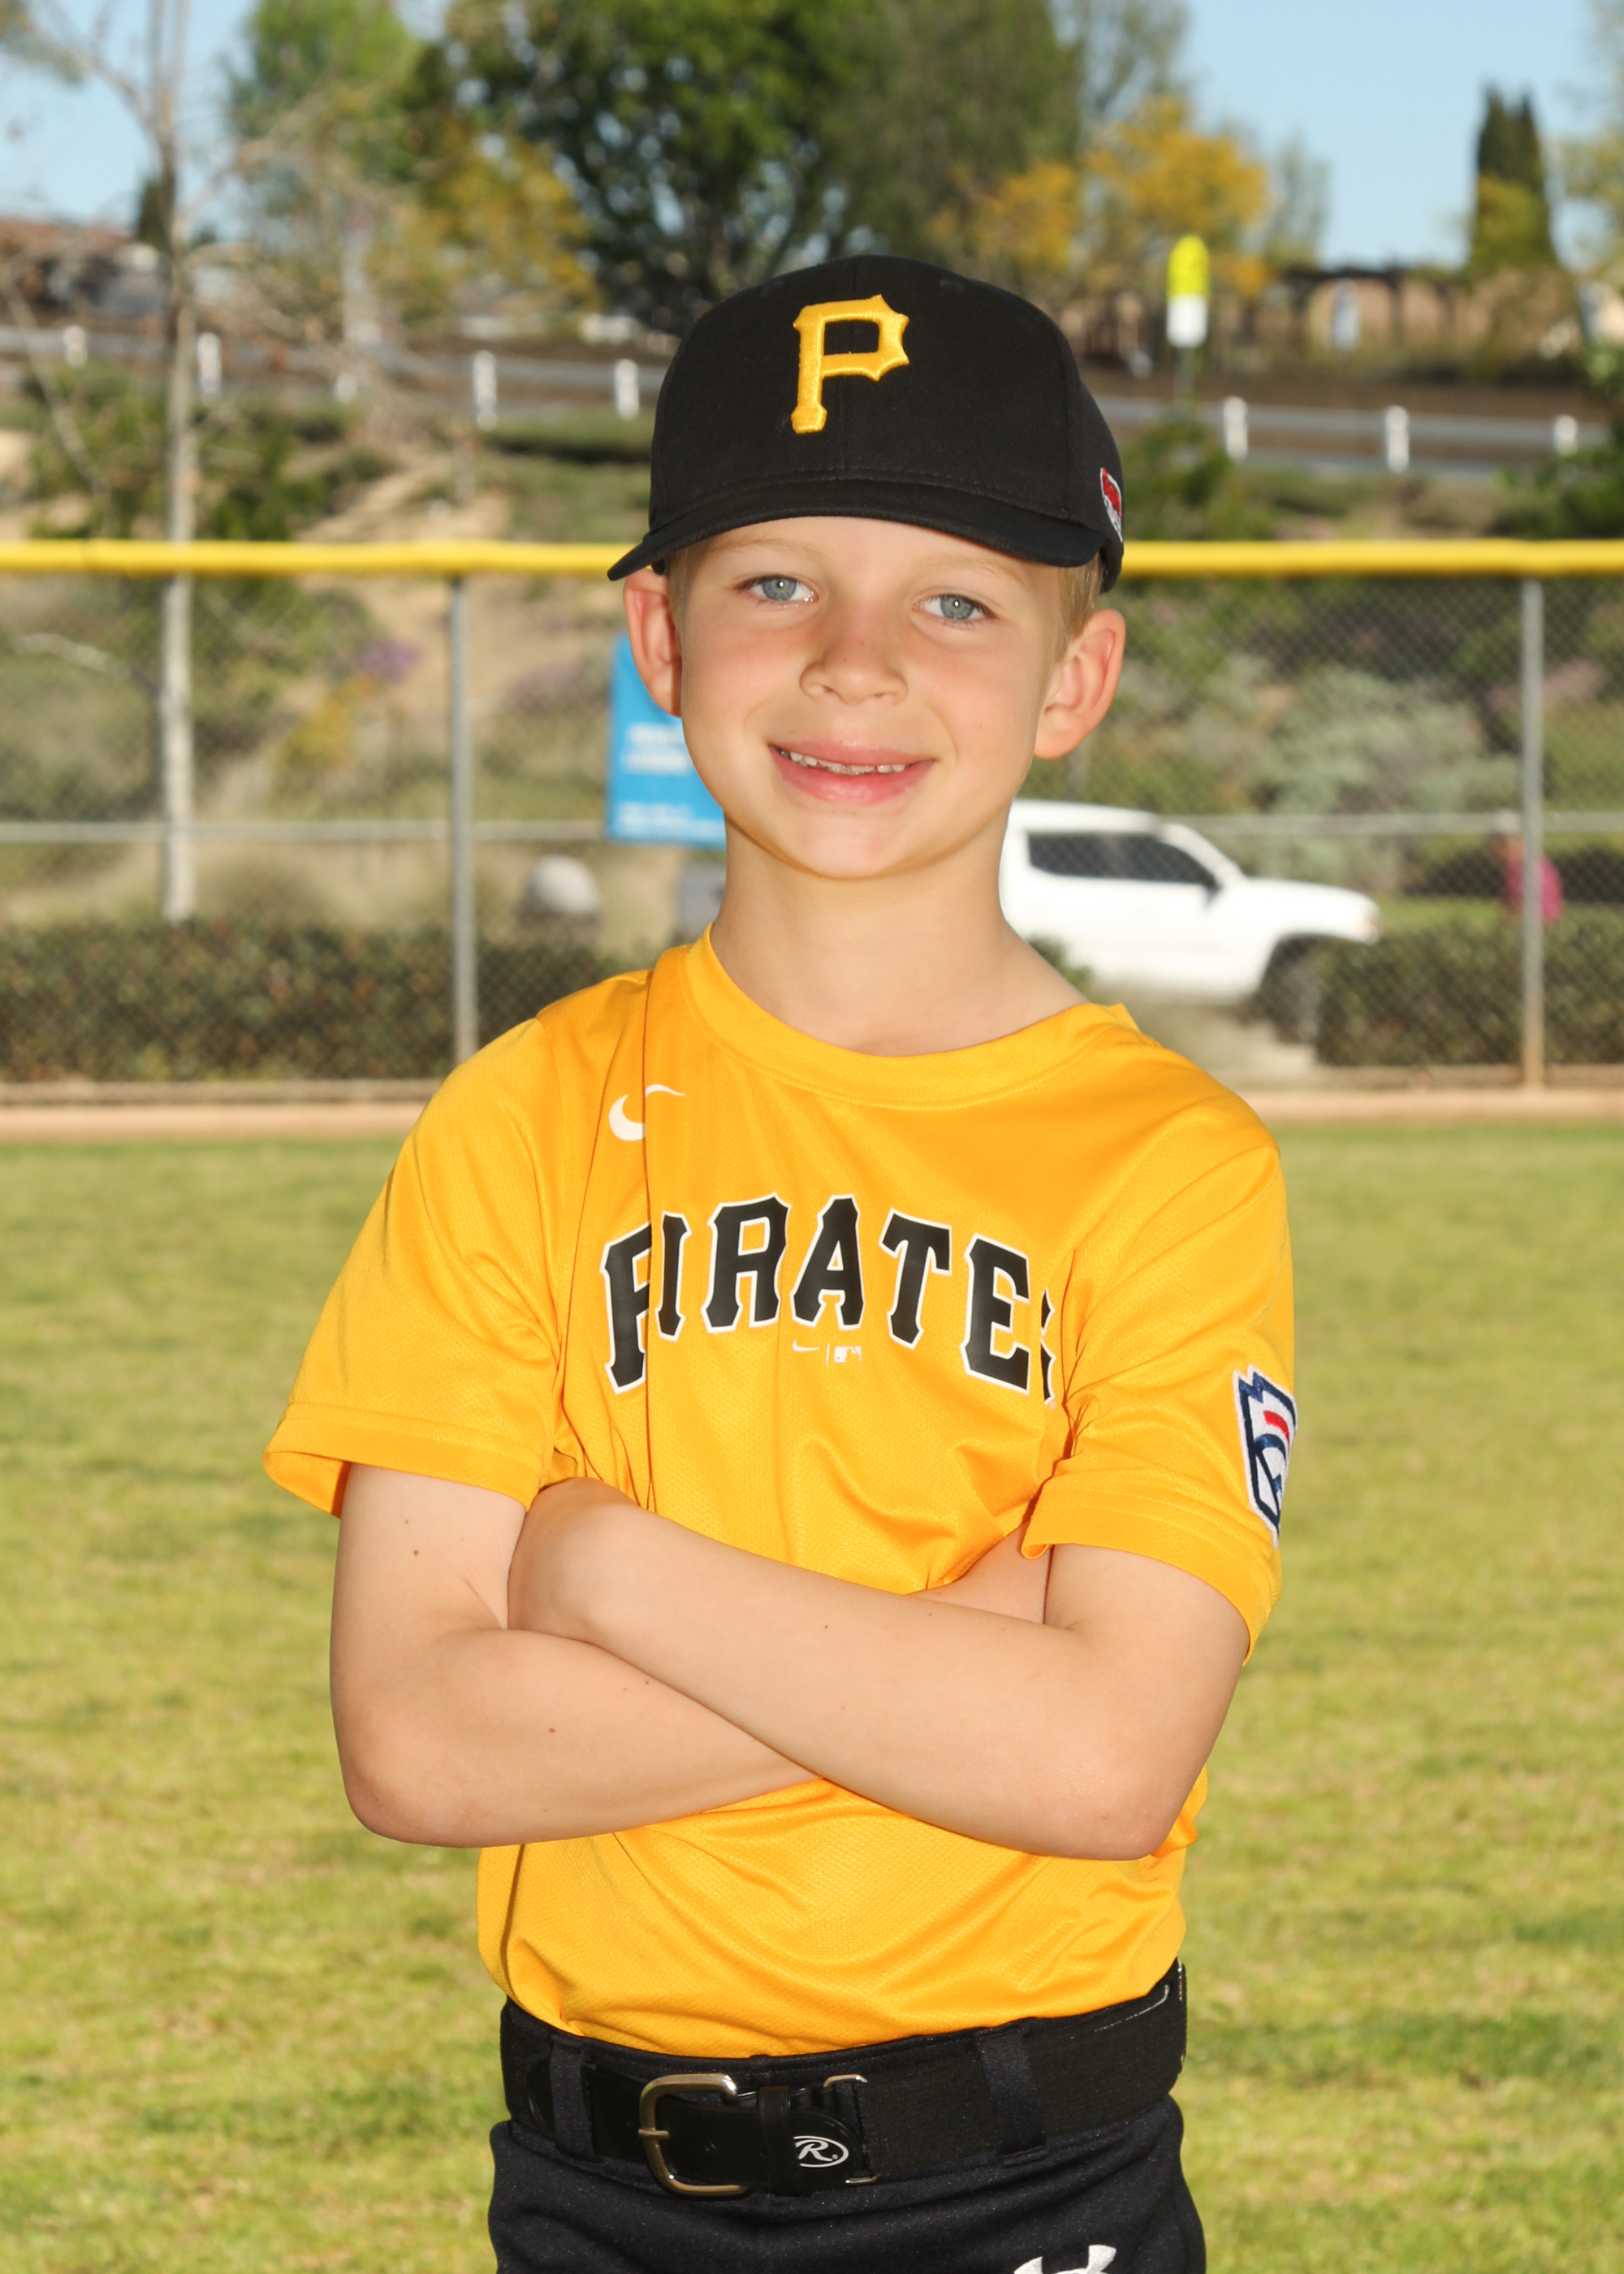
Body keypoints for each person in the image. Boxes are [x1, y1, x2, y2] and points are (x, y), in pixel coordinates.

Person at [265, 255, 1294, 2274]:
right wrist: (964, 1645)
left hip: (1027, 2180)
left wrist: (600, 1569)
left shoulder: (1167, 1157)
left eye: (957, 601)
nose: (853, 662)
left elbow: (1103, 1756)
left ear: (1073, 678)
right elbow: (417, 1738)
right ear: (659, 634)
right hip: (597, 2185)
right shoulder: (525, 1116)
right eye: (774, 581)